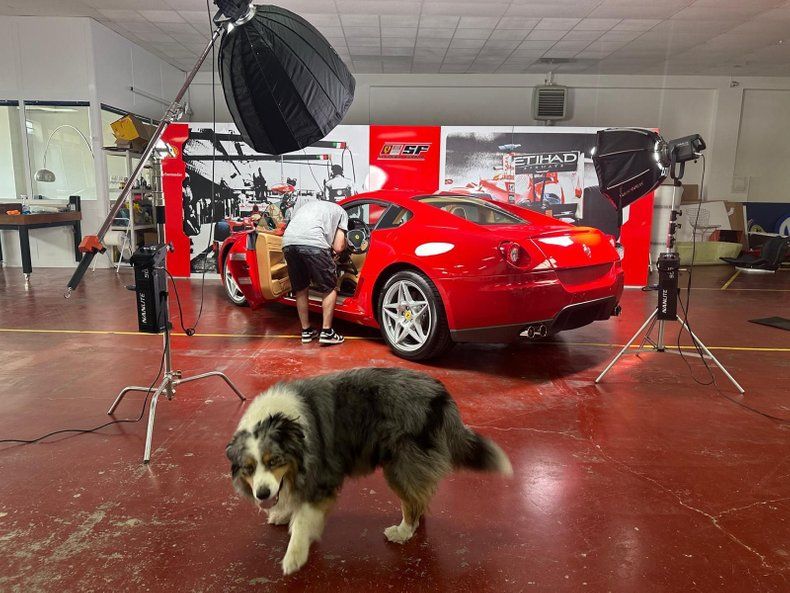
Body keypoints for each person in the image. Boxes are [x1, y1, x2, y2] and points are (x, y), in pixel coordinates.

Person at [282, 199, 348, 345]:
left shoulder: (306, 206)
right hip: (314, 243)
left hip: (288, 243)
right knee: (330, 287)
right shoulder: (341, 212)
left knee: (301, 288)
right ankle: (327, 332)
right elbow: (338, 247)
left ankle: (306, 331)